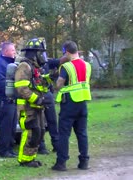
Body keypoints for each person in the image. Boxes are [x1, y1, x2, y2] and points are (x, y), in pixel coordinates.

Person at [52, 40, 91, 171]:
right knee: (82, 133)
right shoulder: (87, 65)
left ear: (67, 52)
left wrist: (54, 79)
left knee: (64, 134)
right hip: (83, 103)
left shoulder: (66, 67)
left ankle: (61, 163)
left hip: (69, 103)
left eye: (64, 53)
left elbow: (59, 84)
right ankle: (84, 161)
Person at [14, 37, 51, 167]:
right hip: (27, 106)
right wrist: (37, 99)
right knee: (31, 131)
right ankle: (24, 160)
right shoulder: (24, 66)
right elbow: (21, 88)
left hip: (37, 106)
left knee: (39, 132)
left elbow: (38, 85)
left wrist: (49, 79)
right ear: (34, 53)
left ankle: (31, 158)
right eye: (41, 53)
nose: (43, 56)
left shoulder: (34, 68)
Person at [0, 42, 18, 158]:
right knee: (6, 126)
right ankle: (3, 150)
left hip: (12, 99)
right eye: (12, 50)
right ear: (6, 51)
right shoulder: (0, 64)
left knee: (12, 126)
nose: (14, 52)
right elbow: (0, 82)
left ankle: (10, 148)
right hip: (4, 99)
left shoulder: (11, 64)